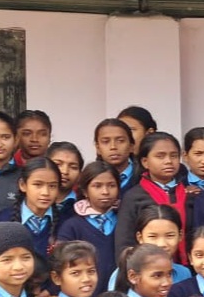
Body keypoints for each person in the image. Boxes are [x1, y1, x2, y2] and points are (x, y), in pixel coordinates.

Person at [114, 133, 188, 261]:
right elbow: (124, 243)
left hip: (188, 270)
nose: (169, 161)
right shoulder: (133, 197)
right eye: (160, 156)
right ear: (145, 162)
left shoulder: (191, 194)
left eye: (174, 156)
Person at [58, 162, 121, 281]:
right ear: (85, 191)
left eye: (111, 185)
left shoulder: (124, 221)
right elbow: (61, 265)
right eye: (97, 186)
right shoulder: (72, 226)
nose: (105, 192)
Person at [0, 157, 61, 259]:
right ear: (23, 185)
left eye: (52, 186)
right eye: (38, 185)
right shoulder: (3, 221)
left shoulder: (64, 223)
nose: (46, 193)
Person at [93, 118, 138, 193]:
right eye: (106, 141)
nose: (113, 147)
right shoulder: (89, 179)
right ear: (98, 148)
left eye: (120, 141)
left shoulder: (146, 177)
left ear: (131, 146)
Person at [47, 141, 84, 223]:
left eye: (73, 167)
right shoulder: (31, 202)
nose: (65, 171)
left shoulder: (84, 207)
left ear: (80, 174)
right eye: (58, 164)